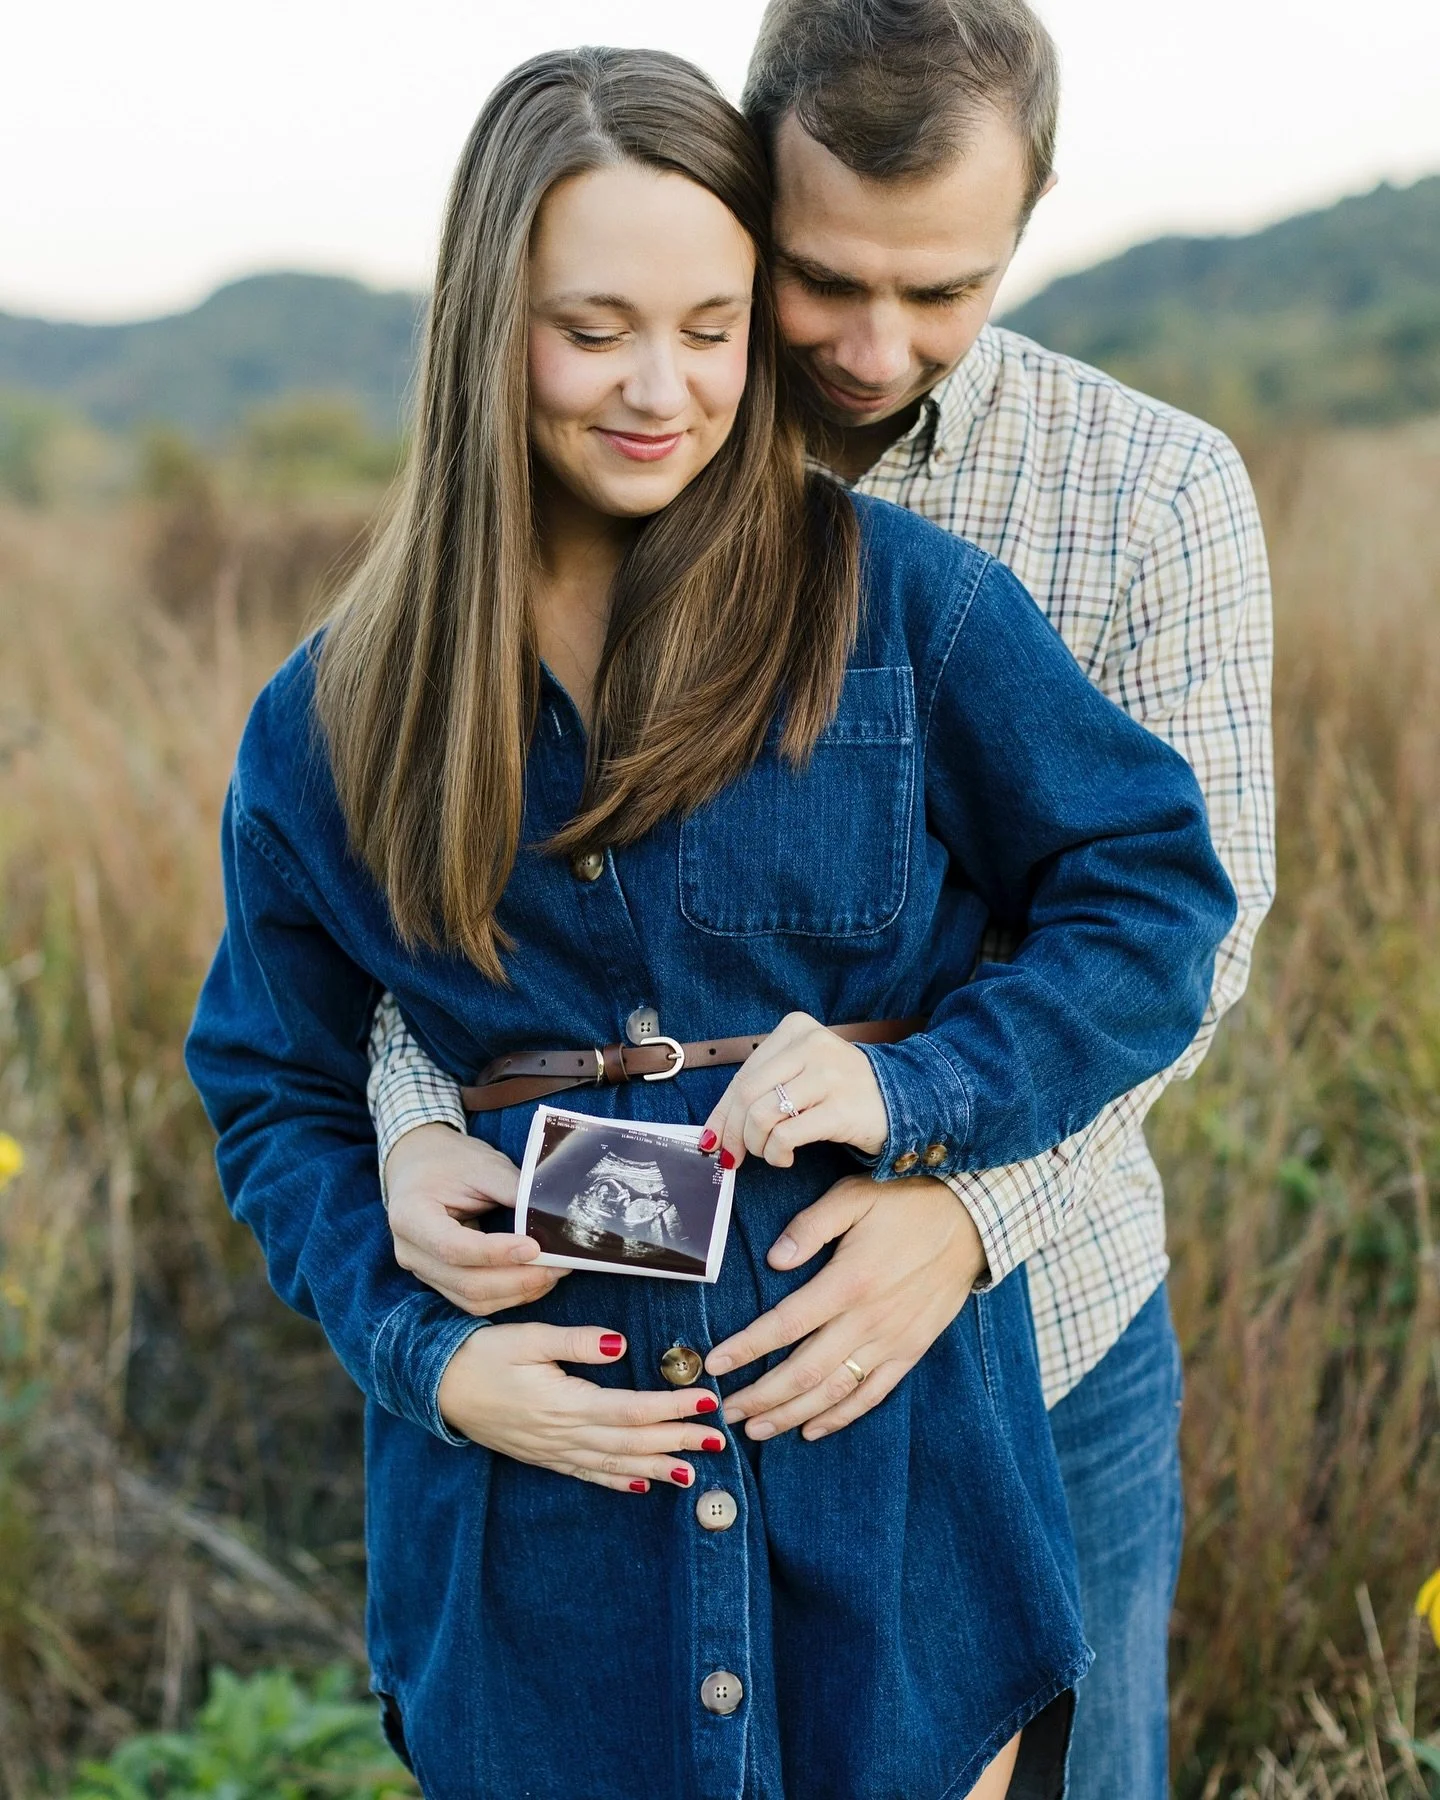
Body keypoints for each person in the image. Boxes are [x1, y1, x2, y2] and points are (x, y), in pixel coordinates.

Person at [186, 45, 1238, 1800]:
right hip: (545, 1524)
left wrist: (927, 1099)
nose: (658, 387)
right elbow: (269, 1082)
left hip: (883, 1496)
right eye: (594, 328)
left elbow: (1156, 896)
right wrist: (426, 1358)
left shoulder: (902, 607)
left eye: (710, 326)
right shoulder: (334, 718)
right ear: (483, 324)